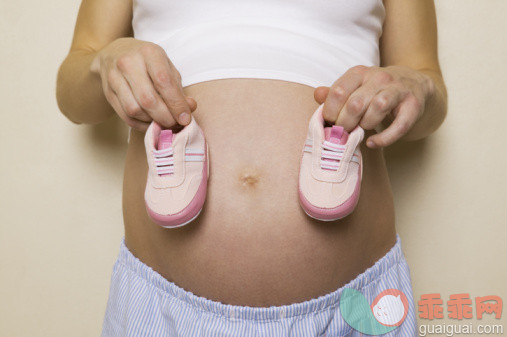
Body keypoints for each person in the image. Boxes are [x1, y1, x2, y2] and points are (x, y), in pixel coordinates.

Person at [56, 0, 447, 335]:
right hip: (160, 308)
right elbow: (74, 97)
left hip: (353, 310)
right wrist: (103, 63)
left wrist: (417, 85)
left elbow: (426, 86)